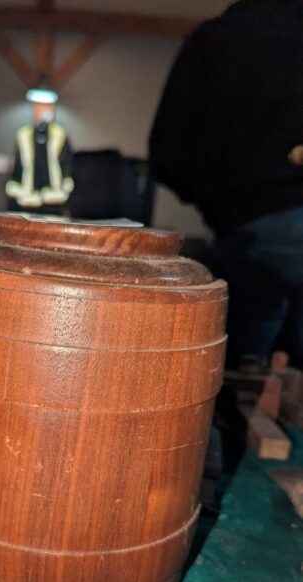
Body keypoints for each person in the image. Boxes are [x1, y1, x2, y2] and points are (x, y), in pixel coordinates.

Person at [149, 0, 303, 369]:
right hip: (258, 222)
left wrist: (219, 197)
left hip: (246, 228)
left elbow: (167, 155)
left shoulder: (214, 39)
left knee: (228, 375)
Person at [6, 101, 74, 216]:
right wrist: (19, 192)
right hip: (27, 199)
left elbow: (68, 165)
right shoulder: (23, 135)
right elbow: (16, 168)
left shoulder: (60, 134)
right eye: (39, 109)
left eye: (46, 108)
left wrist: (64, 190)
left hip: (55, 200)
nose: (42, 112)